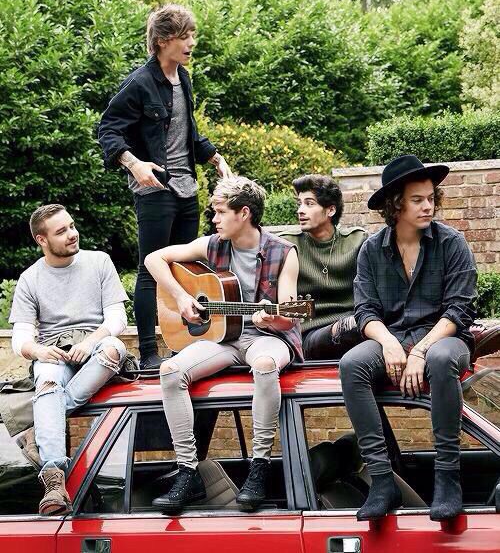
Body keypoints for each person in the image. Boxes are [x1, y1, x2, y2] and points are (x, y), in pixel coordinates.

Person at [144, 176, 301, 513]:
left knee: (263, 366)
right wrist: (182, 297)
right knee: (170, 370)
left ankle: (259, 467)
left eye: (219, 212)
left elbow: (290, 316)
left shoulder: (283, 252)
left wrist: (270, 318)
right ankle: (188, 471)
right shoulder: (213, 244)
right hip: (224, 338)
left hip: (268, 338)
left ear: (243, 213)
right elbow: (153, 260)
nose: (213, 219)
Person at [339, 155, 476, 521]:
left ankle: (448, 479)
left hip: (445, 338)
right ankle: (382, 481)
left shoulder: (452, 243)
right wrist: (389, 343)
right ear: (395, 204)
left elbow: (459, 310)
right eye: (418, 199)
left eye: (431, 197)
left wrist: (419, 352)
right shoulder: (371, 249)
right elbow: (365, 312)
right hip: (393, 337)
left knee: (441, 358)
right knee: (352, 364)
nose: (428, 205)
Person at [98, 4, 231, 370]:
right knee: (151, 268)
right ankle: (149, 352)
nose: (191, 42)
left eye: (192, 35)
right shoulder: (140, 83)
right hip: (154, 189)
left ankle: (182, 344)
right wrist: (133, 163)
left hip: (187, 188)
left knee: (184, 268)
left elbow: (187, 132)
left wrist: (215, 158)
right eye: (184, 36)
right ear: (161, 42)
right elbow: (107, 130)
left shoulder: (183, 79)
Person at [9, 204, 129, 516]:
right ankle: (53, 478)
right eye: (61, 231)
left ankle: (47, 411)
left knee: (114, 347)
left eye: (72, 226)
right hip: (55, 352)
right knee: (46, 376)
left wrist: (90, 343)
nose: (72, 234)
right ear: (42, 240)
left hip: (98, 346)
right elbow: (21, 339)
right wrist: (38, 351)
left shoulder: (99, 261)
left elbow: (117, 319)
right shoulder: (30, 278)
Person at [279, 174, 367, 359]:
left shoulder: (357, 241)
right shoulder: (287, 245)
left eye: (309, 204)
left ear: (331, 210)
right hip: (309, 335)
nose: (301, 210)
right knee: (352, 326)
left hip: (358, 327)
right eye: (299, 203)